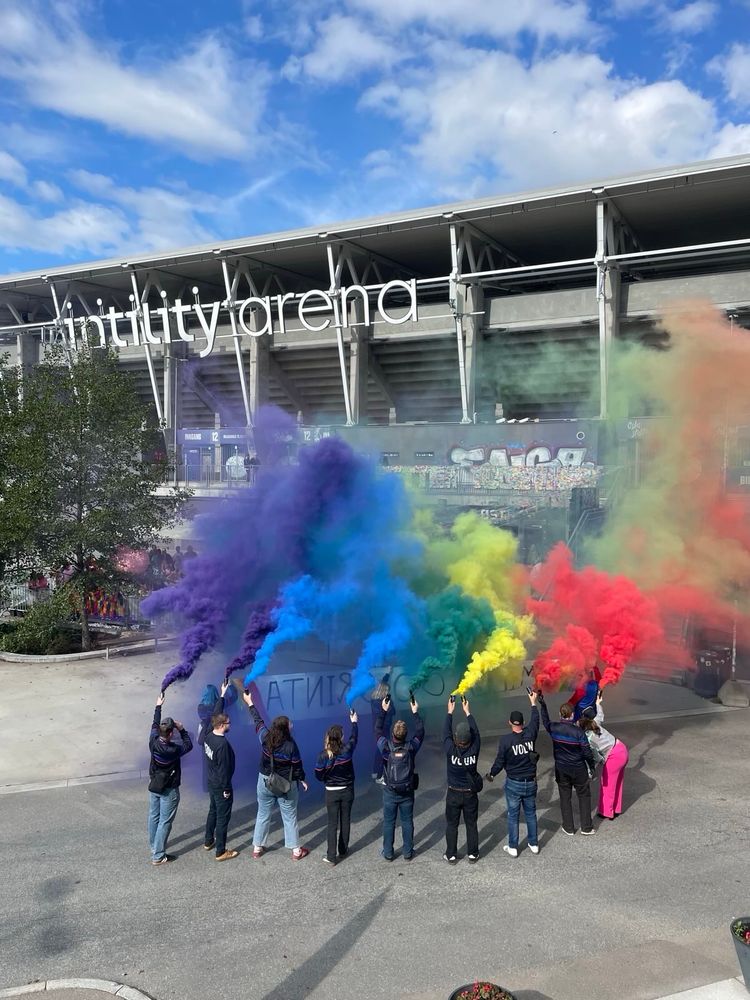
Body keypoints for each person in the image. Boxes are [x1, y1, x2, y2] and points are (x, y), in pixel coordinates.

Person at [243, 689, 309, 860]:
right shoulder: (291, 746)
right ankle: (296, 851)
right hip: (285, 784)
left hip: (265, 781)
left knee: (263, 813)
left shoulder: (265, 737)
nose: (292, 725)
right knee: (289, 816)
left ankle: (257, 848)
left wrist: (250, 703)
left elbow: (257, 721)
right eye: (290, 724)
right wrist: (302, 779)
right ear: (286, 729)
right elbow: (297, 766)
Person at [486, 690, 540, 857]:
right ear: (523, 723)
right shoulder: (530, 734)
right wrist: (533, 703)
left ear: (510, 722)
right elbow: (536, 721)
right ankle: (533, 843)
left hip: (514, 783)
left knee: (513, 815)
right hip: (530, 782)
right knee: (531, 813)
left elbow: (500, 761)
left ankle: (513, 847)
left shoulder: (506, 740)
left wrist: (492, 774)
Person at [539, 692, 597, 836]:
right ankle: (586, 827)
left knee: (565, 797)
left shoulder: (554, 728)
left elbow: (545, 721)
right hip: (578, 768)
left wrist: (543, 705)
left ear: (560, 714)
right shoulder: (578, 733)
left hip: (561, 768)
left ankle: (569, 827)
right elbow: (587, 752)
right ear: (572, 715)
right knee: (584, 796)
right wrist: (591, 767)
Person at [375, 694, 424, 862]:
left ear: (393, 734)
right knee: (407, 821)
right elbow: (420, 732)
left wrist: (383, 710)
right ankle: (408, 852)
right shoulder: (411, 748)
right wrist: (415, 712)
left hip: (390, 790)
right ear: (405, 734)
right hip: (407, 791)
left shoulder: (385, 749)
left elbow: (377, 730)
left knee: (389, 822)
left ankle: (388, 853)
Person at [147, 691, 193, 866]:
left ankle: (154, 846)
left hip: (154, 784)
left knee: (153, 816)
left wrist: (158, 705)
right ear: (171, 734)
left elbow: (153, 724)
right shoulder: (173, 750)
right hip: (169, 788)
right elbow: (188, 745)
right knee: (165, 822)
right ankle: (158, 855)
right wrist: (182, 730)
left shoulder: (152, 742)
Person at [314, 709, 359, 865]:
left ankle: (331, 856)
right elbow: (354, 738)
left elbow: (318, 775)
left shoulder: (322, 755)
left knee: (332, 823)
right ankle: (343, 849)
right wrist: (354, 722)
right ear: (341, 737)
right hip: (347, 791)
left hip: (331, 793)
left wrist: (327, 777)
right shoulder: (347, 750)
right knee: (345, 819)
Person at [201, 679, 239, 861]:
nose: (231, 724)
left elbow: (215, 713)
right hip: (221, 784)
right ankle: (221, 851)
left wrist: (222, 695)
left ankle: (208, 841)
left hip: (211, 781)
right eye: (229, 722)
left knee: (212, 811)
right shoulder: (222, 745)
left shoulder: (208, 734)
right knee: (223, 817)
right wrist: (226, 790)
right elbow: (225, 770)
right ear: (222, 725)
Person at [442, 695, 481, 865]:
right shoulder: (475, 748)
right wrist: (468, 712)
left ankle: (451, 854)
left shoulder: (451, 749)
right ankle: (472, 853)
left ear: (456, 738)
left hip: (453, 793)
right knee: (471, 824)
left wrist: (449, 712)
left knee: (452, 824)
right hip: (470, 794)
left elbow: (445, 733)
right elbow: (477, 733)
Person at [580, 692, 629, 821]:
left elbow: (591, 754)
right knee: (618, 782)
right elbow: (600, 714)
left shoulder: (588, 737)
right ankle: (616, 809)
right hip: (622, 748)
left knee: (607, 784)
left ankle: (607, 812)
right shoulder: (596, 723)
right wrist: (598, 703)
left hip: (614, 756)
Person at [197, 682, 238, 792]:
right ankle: (221, 785)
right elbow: (234, 697)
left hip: (205, 737)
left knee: (207, 763)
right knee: (220, 762)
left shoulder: (200, 707)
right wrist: (231, 686)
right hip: (215, 735)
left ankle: (207, 786)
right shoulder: (219, 704)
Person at [371, 672, 394, 784]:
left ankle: (375, 772)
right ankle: (380, 776)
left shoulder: (374, 700)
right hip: (384, 728)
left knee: (378, 750)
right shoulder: (382, 702)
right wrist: (389, 705)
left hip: (377, 728)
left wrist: (388, 673)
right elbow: (391, 712)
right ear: (385, 691)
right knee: (383, 751)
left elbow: (382, 683)